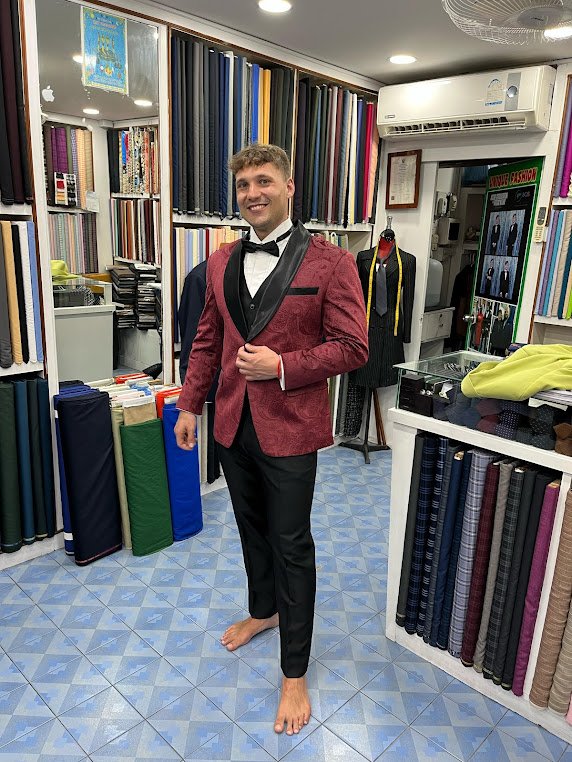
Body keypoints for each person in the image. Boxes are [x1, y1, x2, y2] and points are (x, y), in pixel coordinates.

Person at [174, 144, 368, 736]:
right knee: (251, 531)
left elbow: (353, 347)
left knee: (291, 544)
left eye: (263, 181)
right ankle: (264, 611)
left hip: (292, 427)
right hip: (233, 424)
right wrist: (189, 404)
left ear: (288, 187)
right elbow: (207, 341)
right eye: (243, 185)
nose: (252, 193)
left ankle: (294, 672)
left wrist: (282, 366)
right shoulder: (219, 263)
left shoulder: (332, 262)